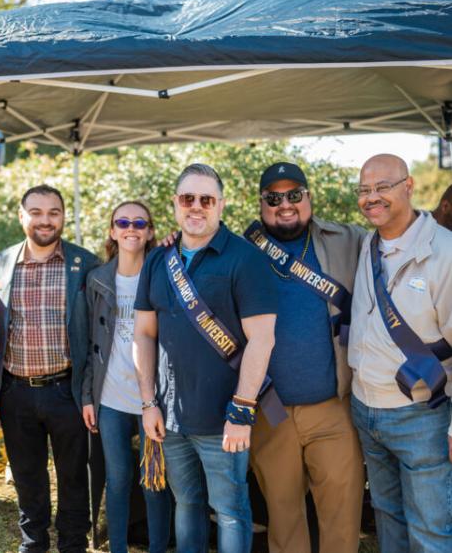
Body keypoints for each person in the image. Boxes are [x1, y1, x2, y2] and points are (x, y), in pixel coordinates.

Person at [134, 163, 278, 553]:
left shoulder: (245, 259)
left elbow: (262, 340)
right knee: (187, 504)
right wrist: (148, 402)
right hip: (170, 419)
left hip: (225, 420)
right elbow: (144, 334)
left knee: (230, 509)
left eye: (206, 199)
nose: (196, 207)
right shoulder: (157, 260)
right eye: (188, 198)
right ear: (175, 204)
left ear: (221, 205)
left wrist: (242, 411)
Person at [245, 162, 365, 553]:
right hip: (270, 411)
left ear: (309, 197)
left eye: (294, 194)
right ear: (261, 203)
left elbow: (401, 235)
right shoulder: (238, 250)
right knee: (283, 521)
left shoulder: (348, 240)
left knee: (342, 521)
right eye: (274, 197)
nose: (285, 205)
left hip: (332, 408)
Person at [349, 154, 452, 552]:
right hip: (366, 408)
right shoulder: (366, 244)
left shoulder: (444, 252)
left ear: (408, 187)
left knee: (431, 532)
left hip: (422, 417)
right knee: (388, 520)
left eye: (382, 187)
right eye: (364, 190)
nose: (372, 197)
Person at [0, 184, 100, 553]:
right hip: (16, 392)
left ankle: (72, 546)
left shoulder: (84, 265)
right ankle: (32, 544)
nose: (45, 220)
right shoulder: (0, 264)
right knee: (27, 480)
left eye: (53, 212)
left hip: (66, 391)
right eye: (35, 212)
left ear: (63, 217)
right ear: (21, 216)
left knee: (72, 479)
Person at [81, 201, 171, 553]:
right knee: (117, 479)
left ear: (149, 231)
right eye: (123, 222)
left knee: (154, 482)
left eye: (139, 222)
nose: (130, 228)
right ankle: (116, 547)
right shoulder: (97, 280)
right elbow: (90, 344)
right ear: (112, 230)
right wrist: (88, 395)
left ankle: (157, 548)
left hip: (154, 399)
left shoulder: (162, 273)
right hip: (111, 397)